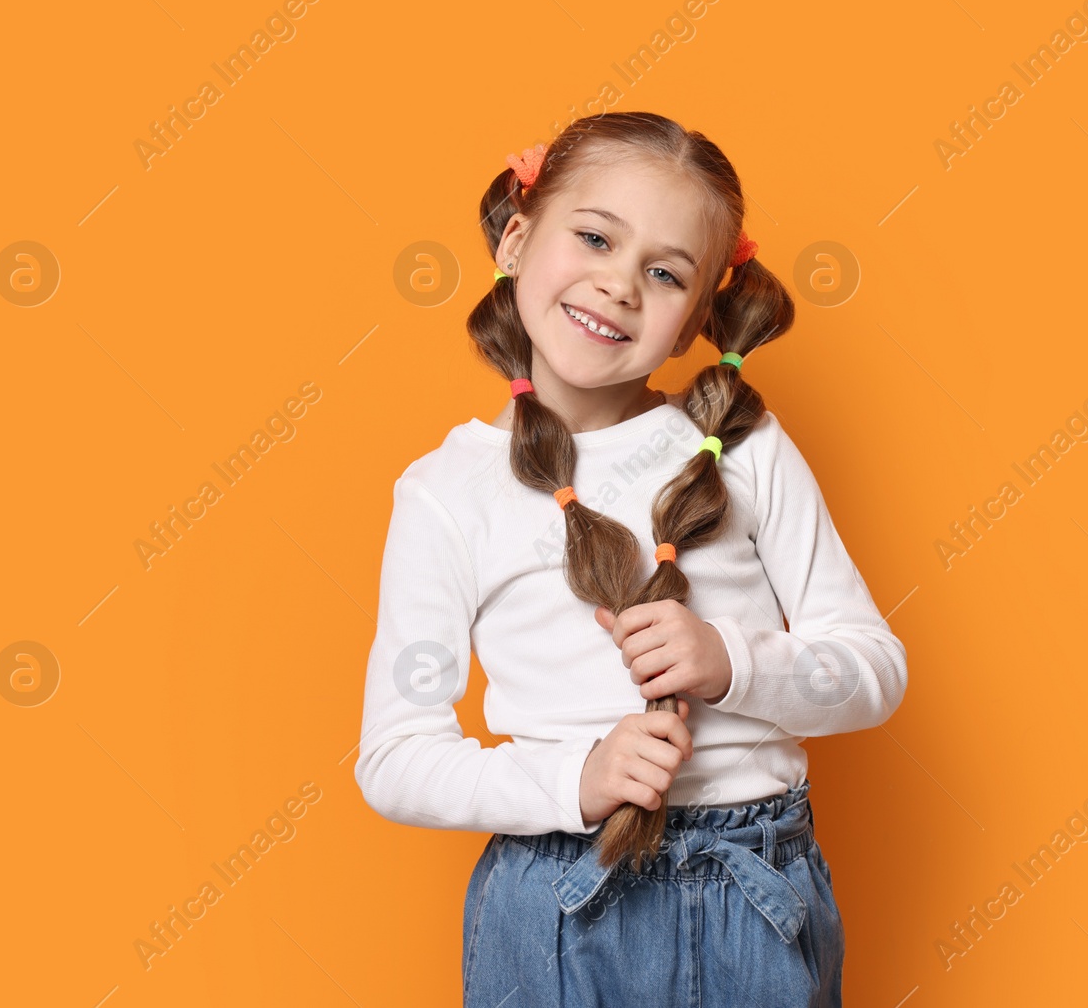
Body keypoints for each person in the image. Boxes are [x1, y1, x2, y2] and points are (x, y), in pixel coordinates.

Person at [355, 111, 909, 1007]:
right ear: (517, 238)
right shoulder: (444, 491)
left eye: (663, 272)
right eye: (595, 237)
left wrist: (733, 662)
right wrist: (576, 779)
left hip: (755, 891)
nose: (618, 284)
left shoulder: (745, 443)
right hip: (557, 904)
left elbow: (876, 668)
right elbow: (395, 755)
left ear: (696, 318)